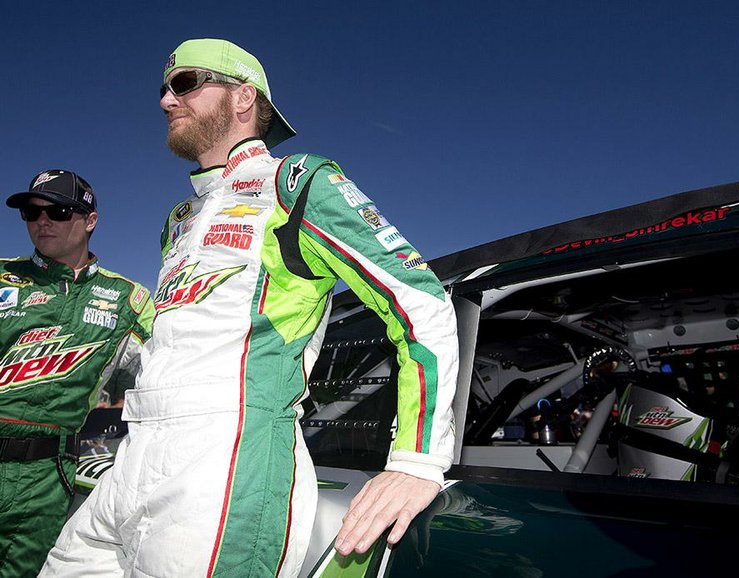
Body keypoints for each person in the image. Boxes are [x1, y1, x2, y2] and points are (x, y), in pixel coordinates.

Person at [41, 38, 459, 577]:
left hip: (228, 456)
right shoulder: (178, 219)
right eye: (164, 89)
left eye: (186, 84)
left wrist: (417, 460)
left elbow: (418, 300)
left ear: (243, 98)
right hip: (134, 451)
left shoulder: (298, 183)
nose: (167, 100)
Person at [0, 169, 155, 577]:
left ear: (90, 221)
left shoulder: (129, 299)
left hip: (46, 478)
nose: (43, 221)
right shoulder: (2, 275)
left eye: (58, 211)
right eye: (32, 212)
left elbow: (179, 358)